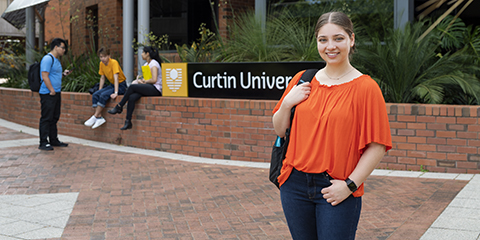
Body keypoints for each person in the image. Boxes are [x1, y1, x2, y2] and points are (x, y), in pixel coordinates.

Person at [272, 12, 392, 240]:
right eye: (323, 40)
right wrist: (287, 103)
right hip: (294, 185)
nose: (331, 46)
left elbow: (377, 146)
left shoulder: (366, 88)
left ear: (351, 39)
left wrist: (349, 185)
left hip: (335, 187)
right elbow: (280, 130)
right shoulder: (302, 79)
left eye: (338, 38)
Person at [107, 46, 162, 130]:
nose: (141, 54)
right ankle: (128, 121)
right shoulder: (146, 64)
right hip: (148, 87)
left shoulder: (154, 63)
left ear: (147, 54)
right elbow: (147, 79)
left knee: (132, 87)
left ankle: (119, 106)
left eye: (143, 52)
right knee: (132, 97)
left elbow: (154, 80)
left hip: (155, 89)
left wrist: (143, 81)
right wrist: (141, 81)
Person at [38, 38, 72, 151]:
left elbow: (54, 75)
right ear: (56, 47)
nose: (64, 50)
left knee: (54, 117)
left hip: (56, 92)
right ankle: (43, 142)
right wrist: (51, 90)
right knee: (46, 118)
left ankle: (53, 140)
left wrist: (63, 74)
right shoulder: (48, 59)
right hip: (48, 93)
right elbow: (44, 76)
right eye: (63, 48)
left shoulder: (56, 60)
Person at [84, 46, 127, 129]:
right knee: (96, 94)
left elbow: (116, 78)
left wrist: (116, 92)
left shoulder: (114, 62)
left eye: (104, 56)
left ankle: (95, 116)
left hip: (121, 85)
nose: (102, 59)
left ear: (109, 56)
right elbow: (102, 77)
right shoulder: (101, 64)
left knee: (103, 95)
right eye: (101, 57)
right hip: (112, 84)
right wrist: (100, 90)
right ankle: (99, 117)